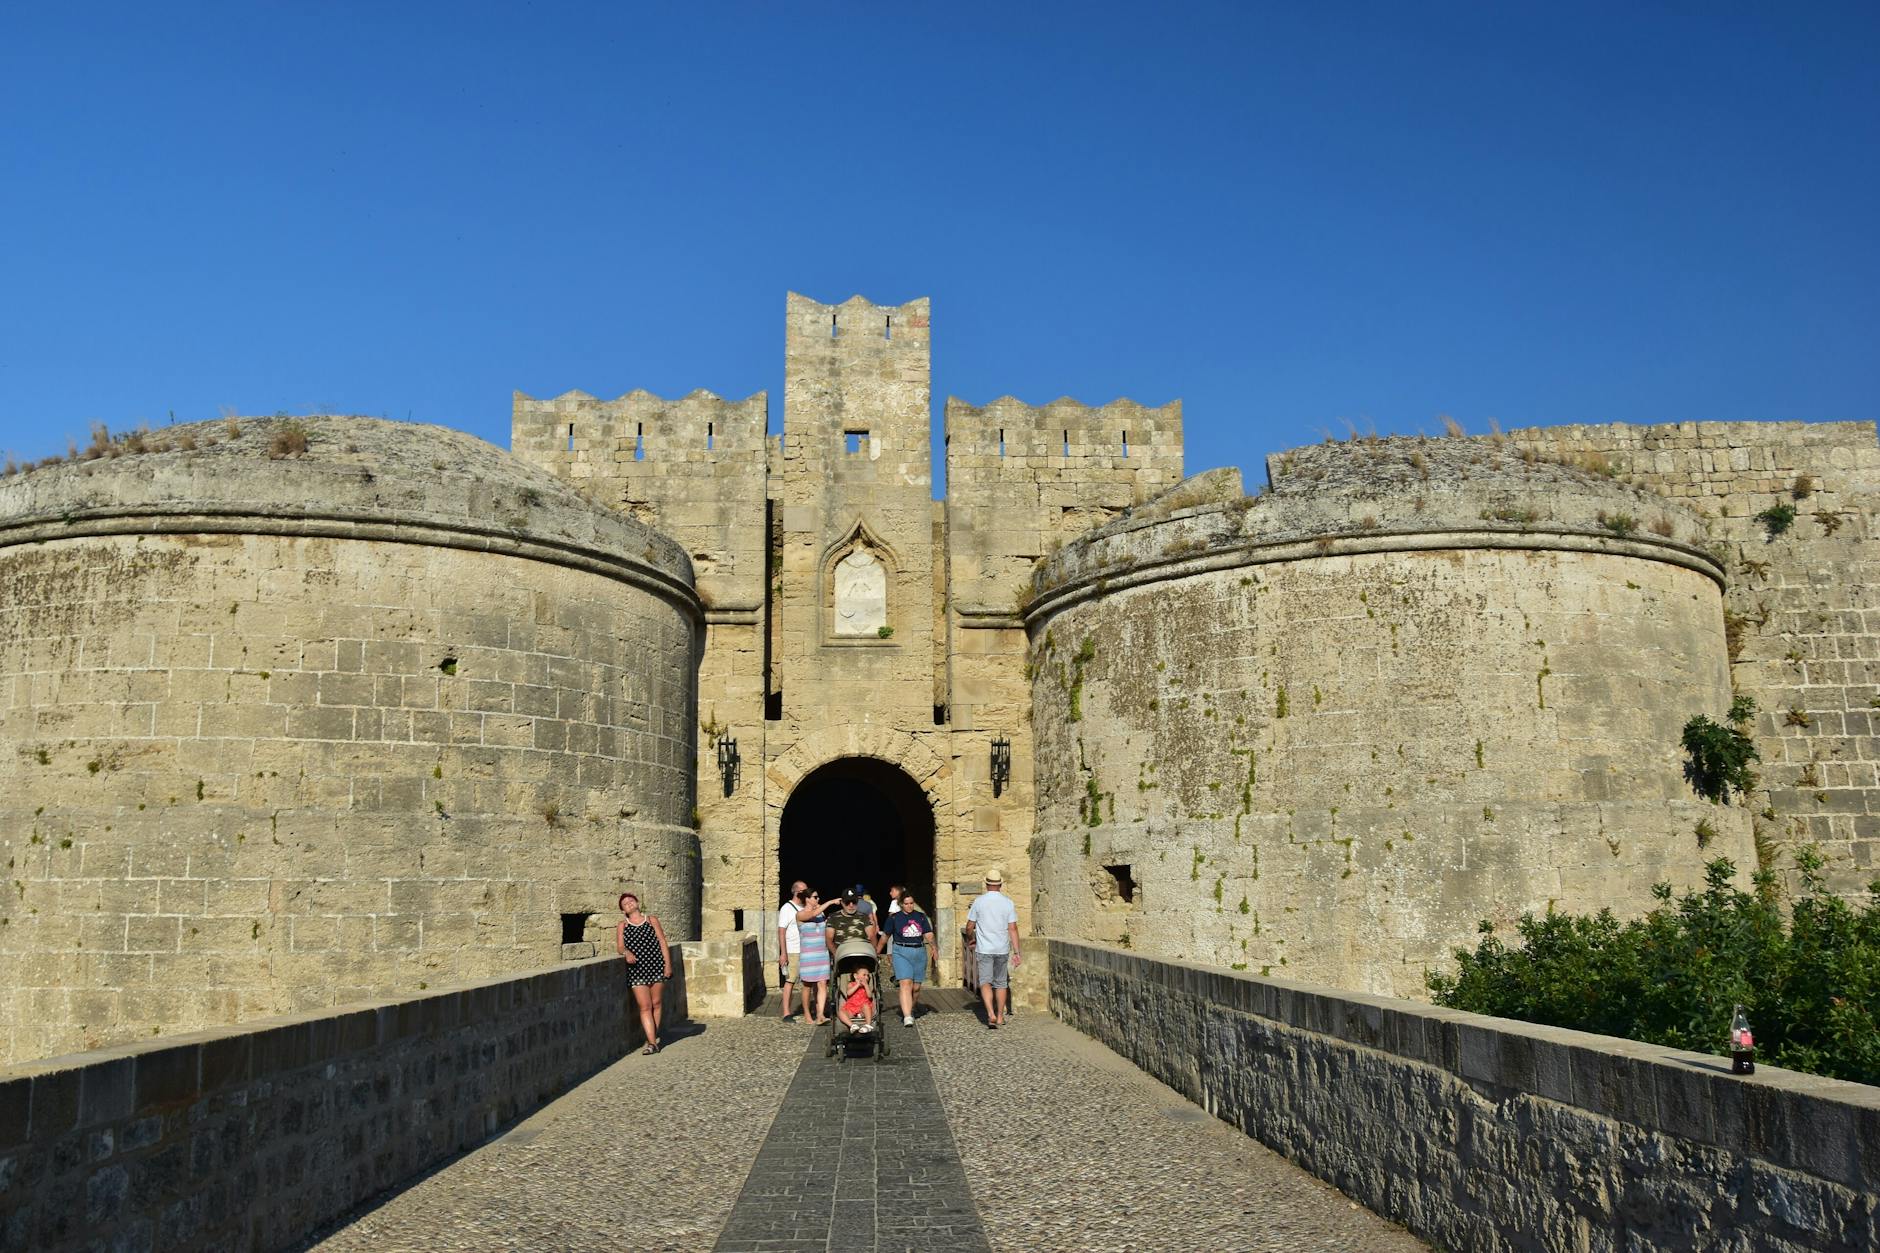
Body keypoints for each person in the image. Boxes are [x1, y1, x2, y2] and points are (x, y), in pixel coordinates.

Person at [615, 891, 673, 1054]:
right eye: (625, 903)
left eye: (631, 900)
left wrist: (667, 965)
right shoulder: (623, 925)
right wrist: (626, 952)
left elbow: (662, 942)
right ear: (623, 910)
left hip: (656, 965)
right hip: (637, 970)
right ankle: (653, 1043)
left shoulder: (652, 920)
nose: (629, 903)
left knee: (656, 1003)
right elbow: (619, 946)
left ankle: (651, 1039)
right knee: (645, 1006)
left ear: (637, 902)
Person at [965, 867, 1020, 1030]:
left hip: (985, 949)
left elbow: (969, 926)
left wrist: (971, 938)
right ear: (1000, 884)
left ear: (986, 884)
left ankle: (990, 1014)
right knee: (1001, 983)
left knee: (985, 982)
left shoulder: (979, 902)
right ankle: (1001, 1016)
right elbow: (1013, 928)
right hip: (1002, 948)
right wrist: (1017, 952)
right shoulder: (1008, 902)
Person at [887, 892, 937, 1026]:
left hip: (919, 951)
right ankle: (907, 1015)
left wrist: (934, 948)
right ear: (901, 905)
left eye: (911, 903)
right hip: (901, 951)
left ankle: (911, 1007)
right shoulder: (894, 918)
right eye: (906, 903)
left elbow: (928, 934)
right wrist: (880, 951)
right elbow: (885, 936)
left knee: (916, 987)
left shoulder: (920, 917)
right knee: (905, 983)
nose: (909, 906)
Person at [776, 880, 815, 1021]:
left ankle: (815, 1010)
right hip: (793, 949)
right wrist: (783, 953)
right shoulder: (787, 908)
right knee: (790, 980)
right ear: (797, 892)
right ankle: (786, 1012)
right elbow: (781, 931)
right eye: (803, 890)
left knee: (811, 980)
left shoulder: (806, 907)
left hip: (807, 948)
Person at [796, 890, 831, 1023]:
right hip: (808, 955)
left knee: (822, 983)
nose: (818, 899)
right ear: (807, 899)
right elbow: (810, 915)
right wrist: (829, 902)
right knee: (807, 985)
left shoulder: (820, 913)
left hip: (822, 954)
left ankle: (820, 1014)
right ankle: (806, 1013)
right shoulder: (800, 914)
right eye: (815, 897)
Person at [826, 889, 877, 954]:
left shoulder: (864, 917)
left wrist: (871, 953)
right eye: (847, 902)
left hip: (860, 956)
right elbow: (829, 940)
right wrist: (837, 955)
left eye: (854, 902)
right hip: (842, 956)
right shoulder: (833, 917)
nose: (851, 905)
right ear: (842, 903)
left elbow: (872, 936)